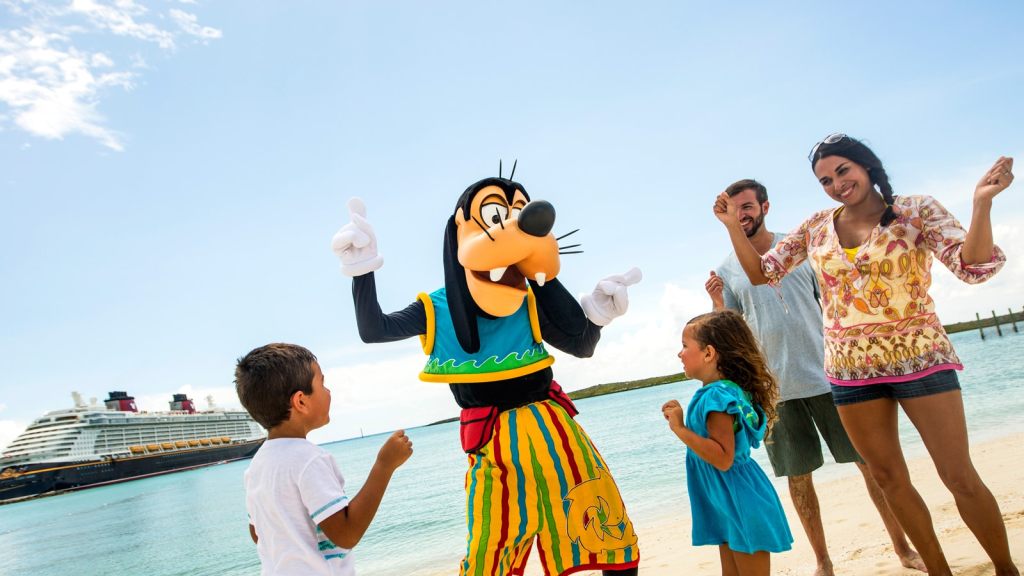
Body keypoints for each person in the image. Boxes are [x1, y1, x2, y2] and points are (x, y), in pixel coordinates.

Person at [713, 133, 1018, 576]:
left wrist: (982, 203)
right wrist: (729, 227)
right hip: (850, 372)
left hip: (920, 359)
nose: (836, 185)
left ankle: (1006, 568)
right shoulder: (817, 226)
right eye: (825, 180)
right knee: (890, 480)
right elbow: (763, 274)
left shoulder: (915, 211)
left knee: (958, 476)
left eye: (842, 171)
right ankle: (938, 570)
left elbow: (971, 266)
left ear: (866, 166)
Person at [331, 176, 641, 576]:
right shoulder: (438, 308)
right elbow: (375, 328)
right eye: (497, 213)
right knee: (488, 550)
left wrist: (597, 315)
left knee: (606, 526)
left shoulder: (527, 298)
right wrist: (362, 270)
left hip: (557, 434)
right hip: (494, 447)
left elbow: (581, 344)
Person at [705, 178, 923, 575]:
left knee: (870, 466)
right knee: (799, 480)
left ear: (765, 207)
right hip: (775, 393)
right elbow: (734, 333)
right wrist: (718, 304)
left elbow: (838, 301)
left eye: (748, 207)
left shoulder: (801, 249)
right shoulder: (726, 269)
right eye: (735, 210)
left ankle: (903, 548)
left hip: (832, 378)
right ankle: (823, 562)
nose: (743, 215)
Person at [236, 343, 413, 576]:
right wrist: (384, 465)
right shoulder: (308, 459)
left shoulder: (257, 465)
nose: (329, 392)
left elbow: (256, 533)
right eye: (322, 384)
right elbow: (346, 533)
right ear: (301, 401)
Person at [662, 310, 793, 576]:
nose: (680, 354)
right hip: (727, 497)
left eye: (685, 346)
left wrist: (679, 428)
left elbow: (723, 458)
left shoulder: (717, 399)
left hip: (738, 498)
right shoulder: (724, 392)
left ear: (709, 353)